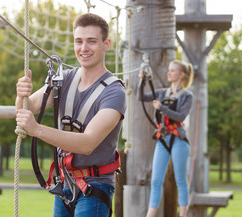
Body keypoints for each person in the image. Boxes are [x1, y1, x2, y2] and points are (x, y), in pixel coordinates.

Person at [15, 13, 126, 217]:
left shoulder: (114, 92)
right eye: (79, 41)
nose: (84, 48)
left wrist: (37, 129)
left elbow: (87, 143)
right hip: (65, 183)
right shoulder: (63, 79)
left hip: (95, 187)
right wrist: (22, 93)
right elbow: (27, 108)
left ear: (106, 44)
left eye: (92, 41)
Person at [138, 60, 194, 217]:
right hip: (163, 140)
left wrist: (162, 108)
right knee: (156, 180)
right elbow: (140, 97)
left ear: (181, 75)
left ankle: (182, 215)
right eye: (169, 70)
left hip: (178, 139)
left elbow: (180, 116)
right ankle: (150, 215)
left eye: (172, 70)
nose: (168, 73)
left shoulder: (187, 96)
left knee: (180, 180)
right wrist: (142, 80)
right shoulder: (162, 93)